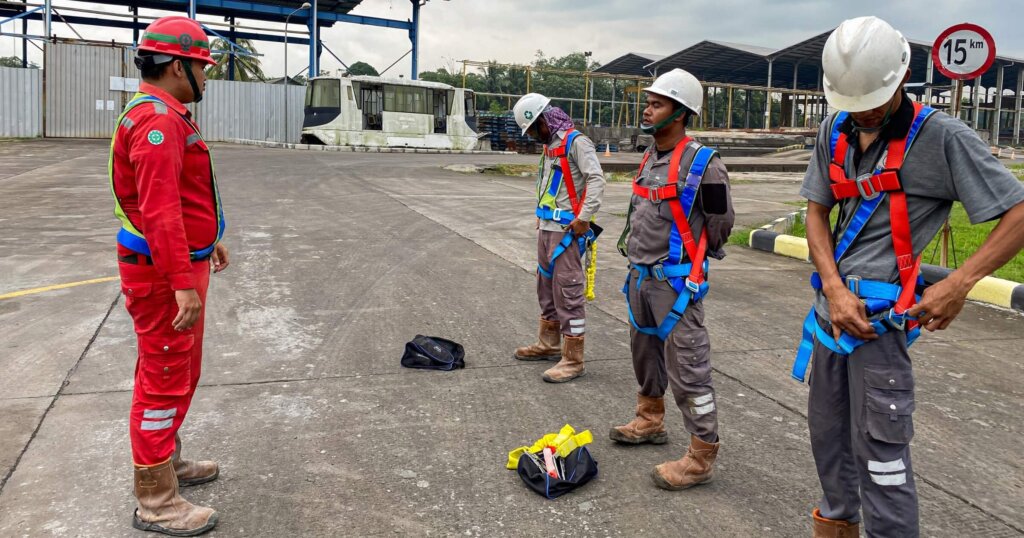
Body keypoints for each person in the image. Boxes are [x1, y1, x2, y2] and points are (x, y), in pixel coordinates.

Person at [795, 16, 1024, 537]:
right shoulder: (834, 130)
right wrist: (832, 288)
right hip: (831, 317)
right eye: (852, 102)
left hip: (881, 327)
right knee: (829, 442)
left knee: (881, 457)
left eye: (874, 98)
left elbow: (1018, 212)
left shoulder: (941, 138)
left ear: (902, 78)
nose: (865, 112)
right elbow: (815, 211)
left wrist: (959, 282)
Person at [109, 15, 228, 536]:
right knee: (162, 378)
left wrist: (209, 238)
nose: (208, 76)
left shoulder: (166, 114)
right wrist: (182, 278)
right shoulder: (158, 123)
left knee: (176, 371)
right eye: (204, 66)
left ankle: (167, 462)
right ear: (179, 66)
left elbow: (181, 198)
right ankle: (156, 501)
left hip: (174, 263)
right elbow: (159, 211)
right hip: (162, 274)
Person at [609, 68, 735, 490]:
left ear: (681, 112)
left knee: (689, 368)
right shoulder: (650, 158)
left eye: (657, 103)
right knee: (644, 356)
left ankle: (701, 456)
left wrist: (694, 264)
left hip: (676, 285)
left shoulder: (704, 164)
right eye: (648, 101)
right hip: (640, 279)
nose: (647, 109)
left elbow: (719, 223)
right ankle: (649, 420)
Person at [511, 93, 606, 383]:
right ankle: (549, 345)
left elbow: (596, 179)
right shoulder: (550, 146)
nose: (531, 137)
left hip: (567, 231)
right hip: (547, 229)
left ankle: (573, 360)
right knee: (546, 287)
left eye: (532, 130)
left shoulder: (576, 142)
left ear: (543, 120)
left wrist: (584, 218)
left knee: (568, 292)